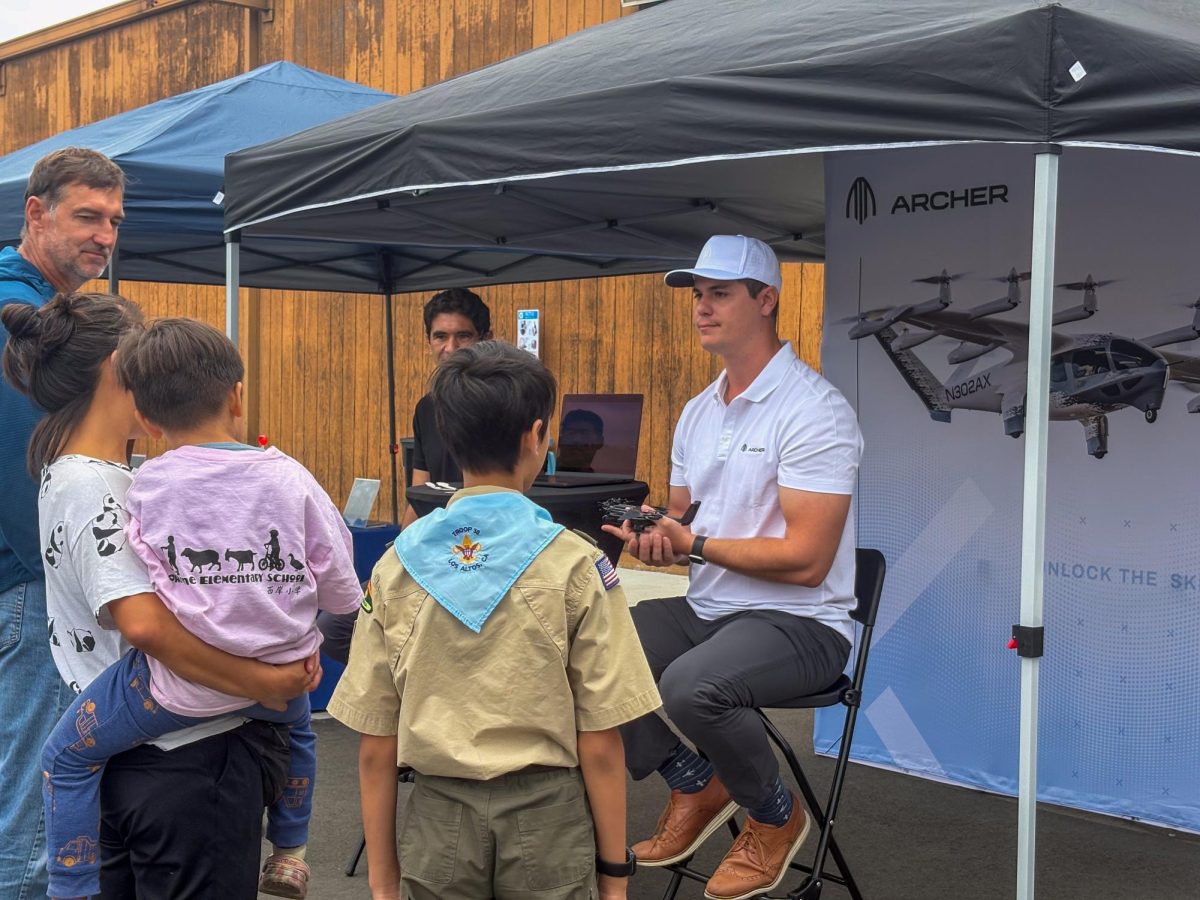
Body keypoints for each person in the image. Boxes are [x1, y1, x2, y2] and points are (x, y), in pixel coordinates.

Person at [31, 314, 363, 900]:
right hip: (254, 700)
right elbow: (340, 590)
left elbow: (152, 593)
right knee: (302, 732)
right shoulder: (292, 477)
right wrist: (270, 664)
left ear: (148, 417)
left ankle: (68, 886)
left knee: (64, 755)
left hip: (174, 698)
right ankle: (291, 851)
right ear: (237, 396)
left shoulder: (145, 484)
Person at [328, 341, 662, 900]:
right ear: (536, 436)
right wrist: (614, 879)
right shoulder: (576, 564)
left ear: (448, 439)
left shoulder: (397, 565)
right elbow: (602, 742)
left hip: (438, 820)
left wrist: (383, 884)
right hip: (548, 819)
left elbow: (375, 744)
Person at [602, 235, 864, 900]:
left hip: (803, 624)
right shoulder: (698, 410)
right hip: (711, 612)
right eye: (698, 295)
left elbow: (809, 562)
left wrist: (692, 545)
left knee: (692, 686)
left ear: (766, 299)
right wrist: (655, 537)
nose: (701, 307)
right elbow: (685, 522)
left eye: (719, 294)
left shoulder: (815, 411)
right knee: (584, 648)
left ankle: (775, 815)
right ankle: (694, 782)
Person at [0, 147, 125, 897]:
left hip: (21, 591)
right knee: (35, 823)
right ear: (36, 214)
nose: (104, 236)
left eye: (113, 221)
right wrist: (78, 587)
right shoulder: (21, 320)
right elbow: (28, 479)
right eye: (87, 216)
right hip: (32, 594)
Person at [317, 287, 493, 665]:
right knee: (335, 629)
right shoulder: (427, 409)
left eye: (463, 336)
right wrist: (391, 565)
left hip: (478, 558)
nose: (450, 348)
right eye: (440, 336)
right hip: (428, 553)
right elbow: (419, 497)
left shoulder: (499, 407)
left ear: (484, 339)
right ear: (428, 341)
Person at [558, 408, 606, 472]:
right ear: (559, 439)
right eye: (571, 433)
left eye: (585, 434)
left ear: (599, 442)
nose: (577, 439)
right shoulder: (545, 472)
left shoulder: (607, 477)